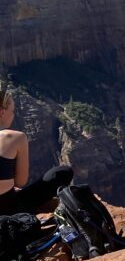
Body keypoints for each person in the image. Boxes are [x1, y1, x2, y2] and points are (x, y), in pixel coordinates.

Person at [0, 84, 73, 217]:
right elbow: (20, 182)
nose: (13, 115)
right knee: (63, 172)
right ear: (2, 112)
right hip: (9, 210)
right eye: (12, 110)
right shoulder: (15, 137)